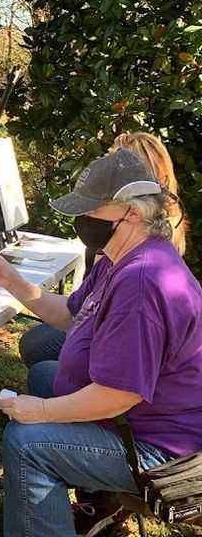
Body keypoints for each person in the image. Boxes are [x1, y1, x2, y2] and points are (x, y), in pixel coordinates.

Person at [0, 148, 202, 537]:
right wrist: (14, 284)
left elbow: (118, 395)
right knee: (45, 373)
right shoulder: (120, 257)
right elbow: (71, 315)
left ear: (131, 213)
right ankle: (92, 499)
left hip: (163, 452)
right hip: (140, 424)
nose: (82, 219)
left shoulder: (143, 282)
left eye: (91, 209)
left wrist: (40, 413)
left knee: (26, 441)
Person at [19, 130, 188, 369]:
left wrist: (46, 404)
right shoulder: (135, 243)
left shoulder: (139, 275)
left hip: (112, 345)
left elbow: (121, 378)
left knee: (41, 361)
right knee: (38, 346)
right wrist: (12, 281)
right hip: (103, 333)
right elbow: (81, 308)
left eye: (115, 161)